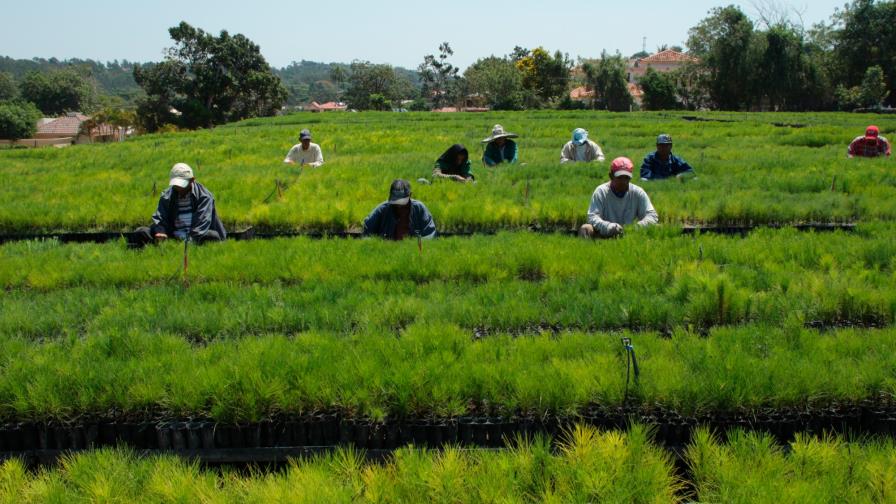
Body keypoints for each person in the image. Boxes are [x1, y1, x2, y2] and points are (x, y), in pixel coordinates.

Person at [132, 163, 226, 246]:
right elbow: (160, 217)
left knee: (211, 236)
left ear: (192, 180)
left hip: (196, 237)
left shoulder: (204, 196)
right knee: (141, 232)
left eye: (182, 184)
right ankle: (160, 250)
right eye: (176, 185)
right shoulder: (166, 196)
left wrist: (187, 243)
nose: (179, 188)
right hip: (173, 235)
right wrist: (160, 231)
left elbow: (201, 225)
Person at [579, 157, 659, 238]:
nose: (623, 182)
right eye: (619, 177)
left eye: (626, 178)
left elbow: (652, 215)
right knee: (586, 228)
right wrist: (608, 227)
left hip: (631, 234)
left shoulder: (638, 192)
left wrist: (638, 226)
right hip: (604, 233)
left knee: (658, 227)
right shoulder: (601, 191)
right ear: (611, 176)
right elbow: (592, 217)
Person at [363, 179, 437, 240]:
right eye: (395, 202)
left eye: (401, 202)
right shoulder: (382, 209)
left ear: (410, 195)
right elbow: (367, 230)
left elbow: (430, 234)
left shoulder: (419, 208)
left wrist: (415, 245)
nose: (398, 206)